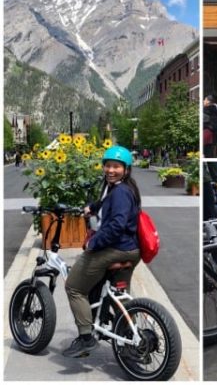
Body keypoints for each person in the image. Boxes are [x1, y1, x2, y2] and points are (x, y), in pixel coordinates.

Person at [63, 146, 141, 358]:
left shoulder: (121, 193)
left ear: (126, 169)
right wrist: (92, 207)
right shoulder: (119, 188)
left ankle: (86, 338)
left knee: (74, 287)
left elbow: (116, 225)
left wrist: (93, 243)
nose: (110, 170)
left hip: (114, 249)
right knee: (119, 295)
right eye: (107, 165)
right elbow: (107, 203)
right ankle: (131, 342)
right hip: (131, 250)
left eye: (116, 166)